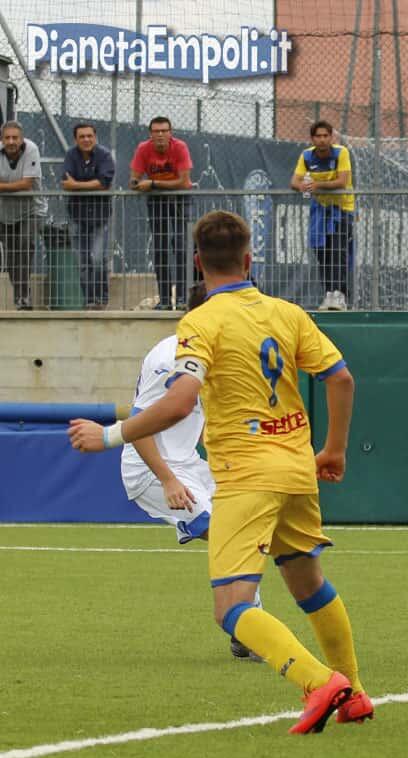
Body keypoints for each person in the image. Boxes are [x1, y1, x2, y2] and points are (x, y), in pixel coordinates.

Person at [69, 210, 373, 733]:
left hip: (245, 475)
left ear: (197, 263)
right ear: (249, 260)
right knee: (309, 585)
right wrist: (335, 450)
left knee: (230, 608)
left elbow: (179, 403)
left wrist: (110, 436)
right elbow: (341, 379)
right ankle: (356, 693)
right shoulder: (287, 313)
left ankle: (318, 683)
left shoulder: (201, 323)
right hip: (296, 468)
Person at [120, 281, 262, 660]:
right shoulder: (169, 356)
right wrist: (168, 480)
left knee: (245, 528)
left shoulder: (213, 352)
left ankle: (245, 630)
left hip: (189, 465)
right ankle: (251, 629)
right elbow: (137, 425)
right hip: (151, 469)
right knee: (226, 533)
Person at [129, 116, 193, 310]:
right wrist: (136, 183)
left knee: (181, 246)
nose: (160, 135)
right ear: (150, 134)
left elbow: (183, 182)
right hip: (157, 200)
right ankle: (164, 300)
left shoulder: (180, 147)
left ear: (170, 133)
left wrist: (153, 183)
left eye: (164, 131)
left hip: (181, 198)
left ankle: (182, 298)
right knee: (161, 248)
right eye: (156, 131)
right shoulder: (143, 149)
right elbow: (134, 179)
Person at [290, 121, 355, 311]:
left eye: (326, 136)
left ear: (331, 137)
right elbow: (294, 182)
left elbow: (342, 181)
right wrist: (302, 186)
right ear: (312, 139)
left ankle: (340, 294)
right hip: (319, 210)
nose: (322, 140)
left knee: (338, 252)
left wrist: (316, 185)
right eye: (318, 136)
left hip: (342, 209)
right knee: (322, 253)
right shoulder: (306, 156)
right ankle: (328, 294)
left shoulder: (341, 153)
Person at [62, 123, 116, 310]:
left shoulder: (104, 155)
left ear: (95, 137)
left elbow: (104, 182)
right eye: (82, 137)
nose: (86, 139)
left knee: (98, 258)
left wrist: (77, 185)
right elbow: (66, 182)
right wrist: (92, 184)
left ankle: (101, 299)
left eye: (89, 136)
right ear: (75, 139)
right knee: (82, 262)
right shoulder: (71, 155)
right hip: (77, 216)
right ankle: (89, 301)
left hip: (100, 216)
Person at [0, 121, 45, 311]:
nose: (11, 141)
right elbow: (19, 184)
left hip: (31, 210)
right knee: (11, 257)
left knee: (25, 246)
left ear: (22, 138)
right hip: (5, 213)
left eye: (15, 137)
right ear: (2, 140)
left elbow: (26, 184)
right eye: (7, 138)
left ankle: (23, 298)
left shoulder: (31, 149)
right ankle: (21, 295)